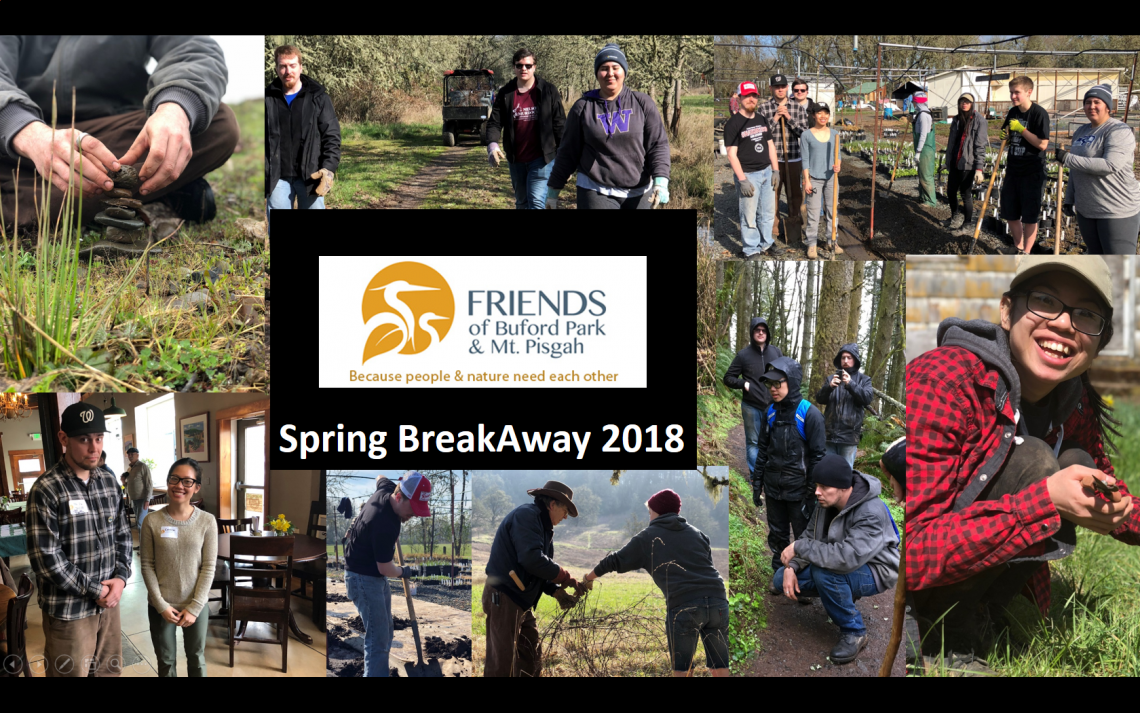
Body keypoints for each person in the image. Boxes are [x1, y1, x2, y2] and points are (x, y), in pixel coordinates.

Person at [906, 256, 1136, 674]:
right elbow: (913, 553)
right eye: (1046, 301)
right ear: (1007, 311)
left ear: (1099, 342)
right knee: (1036, 460)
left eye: (1085, 314)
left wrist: (1117, 509)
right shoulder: (944, 378)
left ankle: (984, 614)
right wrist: (1044, 501)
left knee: (1078, 462)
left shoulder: (1075, 401)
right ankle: (941, 638)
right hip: (917, 591)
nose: (1065, 324)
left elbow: (1110, 485)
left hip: (981, 569)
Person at [0, 36, 236, 234]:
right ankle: (160, 195)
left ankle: (23, 201)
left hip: (114, 133)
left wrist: (175, 108)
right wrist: (26, 131)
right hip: (20, 138)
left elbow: (194, 49)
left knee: (217, 122)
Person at [26, 403, 132, 677]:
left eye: (98, 438)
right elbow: (47, 561)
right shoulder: (46, 489)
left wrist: (120, 579)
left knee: (109, 672)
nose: (93, 447)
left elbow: (123, 536)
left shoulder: (109, 482)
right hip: (69, 611)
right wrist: (97, 591)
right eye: (84, 439)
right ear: (64, 439)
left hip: (110, 605)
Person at [581, 489, 729, 677]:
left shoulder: (648, 537)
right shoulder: (699, 534)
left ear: (658, 511)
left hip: (684, 605)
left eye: (650, 512)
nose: (649, 517)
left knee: (682, 670)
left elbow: (614, 560)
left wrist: (588, 578)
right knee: (720, 666)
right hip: (718, 602)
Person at [773, 454, 900, 664]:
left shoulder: (871, 511)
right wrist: (792, 567)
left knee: (825, 572)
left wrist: (799, 548)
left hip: (877, 570)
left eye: (823, 486)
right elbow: (810, 536)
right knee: (780, 579)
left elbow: (844, 559)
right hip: (842, 562)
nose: (817, 492)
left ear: (843, 487)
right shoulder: (825, 502)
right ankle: (840, 592)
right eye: (816, 485)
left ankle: (855, 631)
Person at [546, 44, 669, 210]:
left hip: (639, 191)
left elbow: (658, 144)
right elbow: (568, 151)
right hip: (595, 189)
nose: (610, 73)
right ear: (597, 73)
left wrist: (661, 181)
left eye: (615, 67)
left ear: (624, 71)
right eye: (604, 68)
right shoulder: (583, 107)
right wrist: (553, 190)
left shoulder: (642, 103)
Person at [483, 480, 583, 677]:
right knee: (502, 661)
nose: (565, 517)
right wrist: (565, 577)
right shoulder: (527, 516)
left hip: (521, 601)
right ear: (552, 504)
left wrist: (555, 590)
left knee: (530, 653)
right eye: (564, 510)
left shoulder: (543, 528)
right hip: (504, 596)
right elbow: (531, 559)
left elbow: (538, 570)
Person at [342, 471, 431, 677]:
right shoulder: (384, 523)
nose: (415, 514)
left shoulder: (388, 488)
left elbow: (379, 476)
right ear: (399, 497)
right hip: (362, 578)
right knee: (378, 639)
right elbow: (386, 568)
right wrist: (404, 571)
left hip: (372, 575)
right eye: (413, 508)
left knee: (385, 630)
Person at [140, 458, 216, 677]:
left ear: (196, 487)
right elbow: (147, 565)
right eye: (174, 478)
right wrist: (160, 604)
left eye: (187, 481)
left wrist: (195, 607)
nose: (179, 485)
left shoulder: (207, 521)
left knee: (197, 659)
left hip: (195, 605)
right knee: (165, 661)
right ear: (168, 481)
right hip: (161, 605)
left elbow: (209, 567)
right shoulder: (151, 521)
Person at [756, 357, 826, 573]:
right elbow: (762, 450)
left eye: (778, 383)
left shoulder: (809, 414)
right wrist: (757, 483)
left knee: (803, 534)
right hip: (774, 488)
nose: (773, 389)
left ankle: (802, 578)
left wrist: (810, 493)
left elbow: (818, 456)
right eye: (770, 384)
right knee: (777, 533)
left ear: (792, 382)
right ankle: (779, 570)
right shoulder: (770, 412)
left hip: (799, 490)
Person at [1055, 83, 1140, 254]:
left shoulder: (1118, 130)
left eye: (1097, 102)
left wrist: (1068, 158)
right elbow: (1075, 169)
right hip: (1087, 209)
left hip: (1116, 208)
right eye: (1088, 102)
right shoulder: (1081, 131)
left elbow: (1110, 165)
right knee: (1097, 260)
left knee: (1119, 266)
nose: (1091, 106)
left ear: (1108, 107)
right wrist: (1070, 198)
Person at [265, 44, 341, 216]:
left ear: (300, 67)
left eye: (292, 65)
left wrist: (328, 169)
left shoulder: (318, 98)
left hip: (311, 176)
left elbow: (332, 137)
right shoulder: (267, 100)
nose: (288, 71)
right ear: (276, 68)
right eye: (283, 66)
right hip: (278, 179)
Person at [486, 48, 565, 210]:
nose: (524, 69)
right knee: (522, 202)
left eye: (528, 66)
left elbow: (559, 125)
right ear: (514, 67)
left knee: (536, 202)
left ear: (535, 67)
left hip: (542, 159)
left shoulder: (549, 91)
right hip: (516, 158)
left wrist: (565, 158)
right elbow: (494, 122)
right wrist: (492, 145)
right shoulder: (505, 93)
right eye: (519, 65)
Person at [723, 317, 784, 488]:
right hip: (751, 406)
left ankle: (770, 473)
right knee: (753, 442)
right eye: (757, 330)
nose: (760, 333)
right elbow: (728, 378)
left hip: (773, 405)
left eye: (763, 330)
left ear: (767, 333)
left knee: (773, 440)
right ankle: (755, 476)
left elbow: (784, 373)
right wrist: (744, 384)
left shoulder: (776, 353)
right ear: (752, 332)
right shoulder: (743, 355)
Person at [723, 81, 782, 258]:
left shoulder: (762, 119)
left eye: (754, 96)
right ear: (739, 98)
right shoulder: (733, 124)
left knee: (767, 212)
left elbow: (771, 146)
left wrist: (776, 170)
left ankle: (766, 243)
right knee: (748, 215)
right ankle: (750, 249)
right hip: (749, 175)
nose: (751, 99)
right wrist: (742, 180)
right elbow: (731, 154)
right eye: (747, 96)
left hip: (766, 172)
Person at [999, 76, 1050, 254]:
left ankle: (1026, 253)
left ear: (1029, 92)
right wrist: (1004, 135)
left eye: (1017, 92)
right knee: (1010, 212)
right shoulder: (1013, 112)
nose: (1013, 96)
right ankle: (1018, 247)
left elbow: (1043, 144)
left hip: (1032, 171)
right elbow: (1005, 131)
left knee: (1029, 216)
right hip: (1013, 169)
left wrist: (1022, 129)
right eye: (1011, 92)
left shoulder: (1039, 113)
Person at [757, 74, 809, 242]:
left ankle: (794, 226)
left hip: (793, 158)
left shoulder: (797, 108)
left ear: (787, 88)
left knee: (794, 195)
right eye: (776, 86)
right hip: (772, 161)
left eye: (783, 86)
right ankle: (773, 229)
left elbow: (804, 133)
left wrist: (788, 118)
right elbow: (760, 135)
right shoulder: (764, 109)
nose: (780, 89)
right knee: (772, 196)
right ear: (771, 88)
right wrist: (775, 118)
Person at [814, 343, 873, 467]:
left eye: (849, 357)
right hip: (829, 435)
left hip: (849, 437)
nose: (845, 361)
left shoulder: (864, 380)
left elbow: (867, 398)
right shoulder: (831, 378)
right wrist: (829, 387)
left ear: (855, 360)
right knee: (828, 471)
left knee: (845, 474)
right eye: (843, 357)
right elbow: (820, 399)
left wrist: (850, 384)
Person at [799, 102, 843, 259]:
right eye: (819, 113)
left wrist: (838, 165)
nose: (823, 116)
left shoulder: (835, 134)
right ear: (813, 115)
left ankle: (832, 240)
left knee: (833, 211)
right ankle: (812, 244)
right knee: (814, 212)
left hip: (832, 178)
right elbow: (805, 160)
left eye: (826, 113)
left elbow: (838, 156)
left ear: (829, 116)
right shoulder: (806, 135)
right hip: (814, 179)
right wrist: (807, 180)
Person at [942, 93, 988, 232]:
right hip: (955, 161)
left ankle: (967, 224)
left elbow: (980, 146)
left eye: (967, 101)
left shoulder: (979, 120)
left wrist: (979, 169)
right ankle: (955, 216)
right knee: (950, 191)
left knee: (965, 193)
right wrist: (947, 161)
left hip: (969, 163)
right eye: (962, 101)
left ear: (972, 103)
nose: (964, 104)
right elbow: (951, 142)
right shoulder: (956, 120)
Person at [907, 91, 937, 207]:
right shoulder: (921, 114)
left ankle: (930, 201)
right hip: (922, 148)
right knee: (921, 173)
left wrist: (918, 152)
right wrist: (913, 121)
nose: (913, 104)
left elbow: (923, 134)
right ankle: (923, 197)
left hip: (925, 149)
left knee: (926, 175)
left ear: (917, 102)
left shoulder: (924, 115)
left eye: (914, 102)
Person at [126, 447, 152, 537]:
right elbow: (128, 484)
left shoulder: (142, 466)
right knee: (138, 523)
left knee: (141, 524)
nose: (130, 456)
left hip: (142, 500)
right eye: (128, 454)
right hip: (133, 499)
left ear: (137, 455)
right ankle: (141, 546)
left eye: (132, 454)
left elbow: (149, 484)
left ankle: (144, 548)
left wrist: (147, 500)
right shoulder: (130, 468)